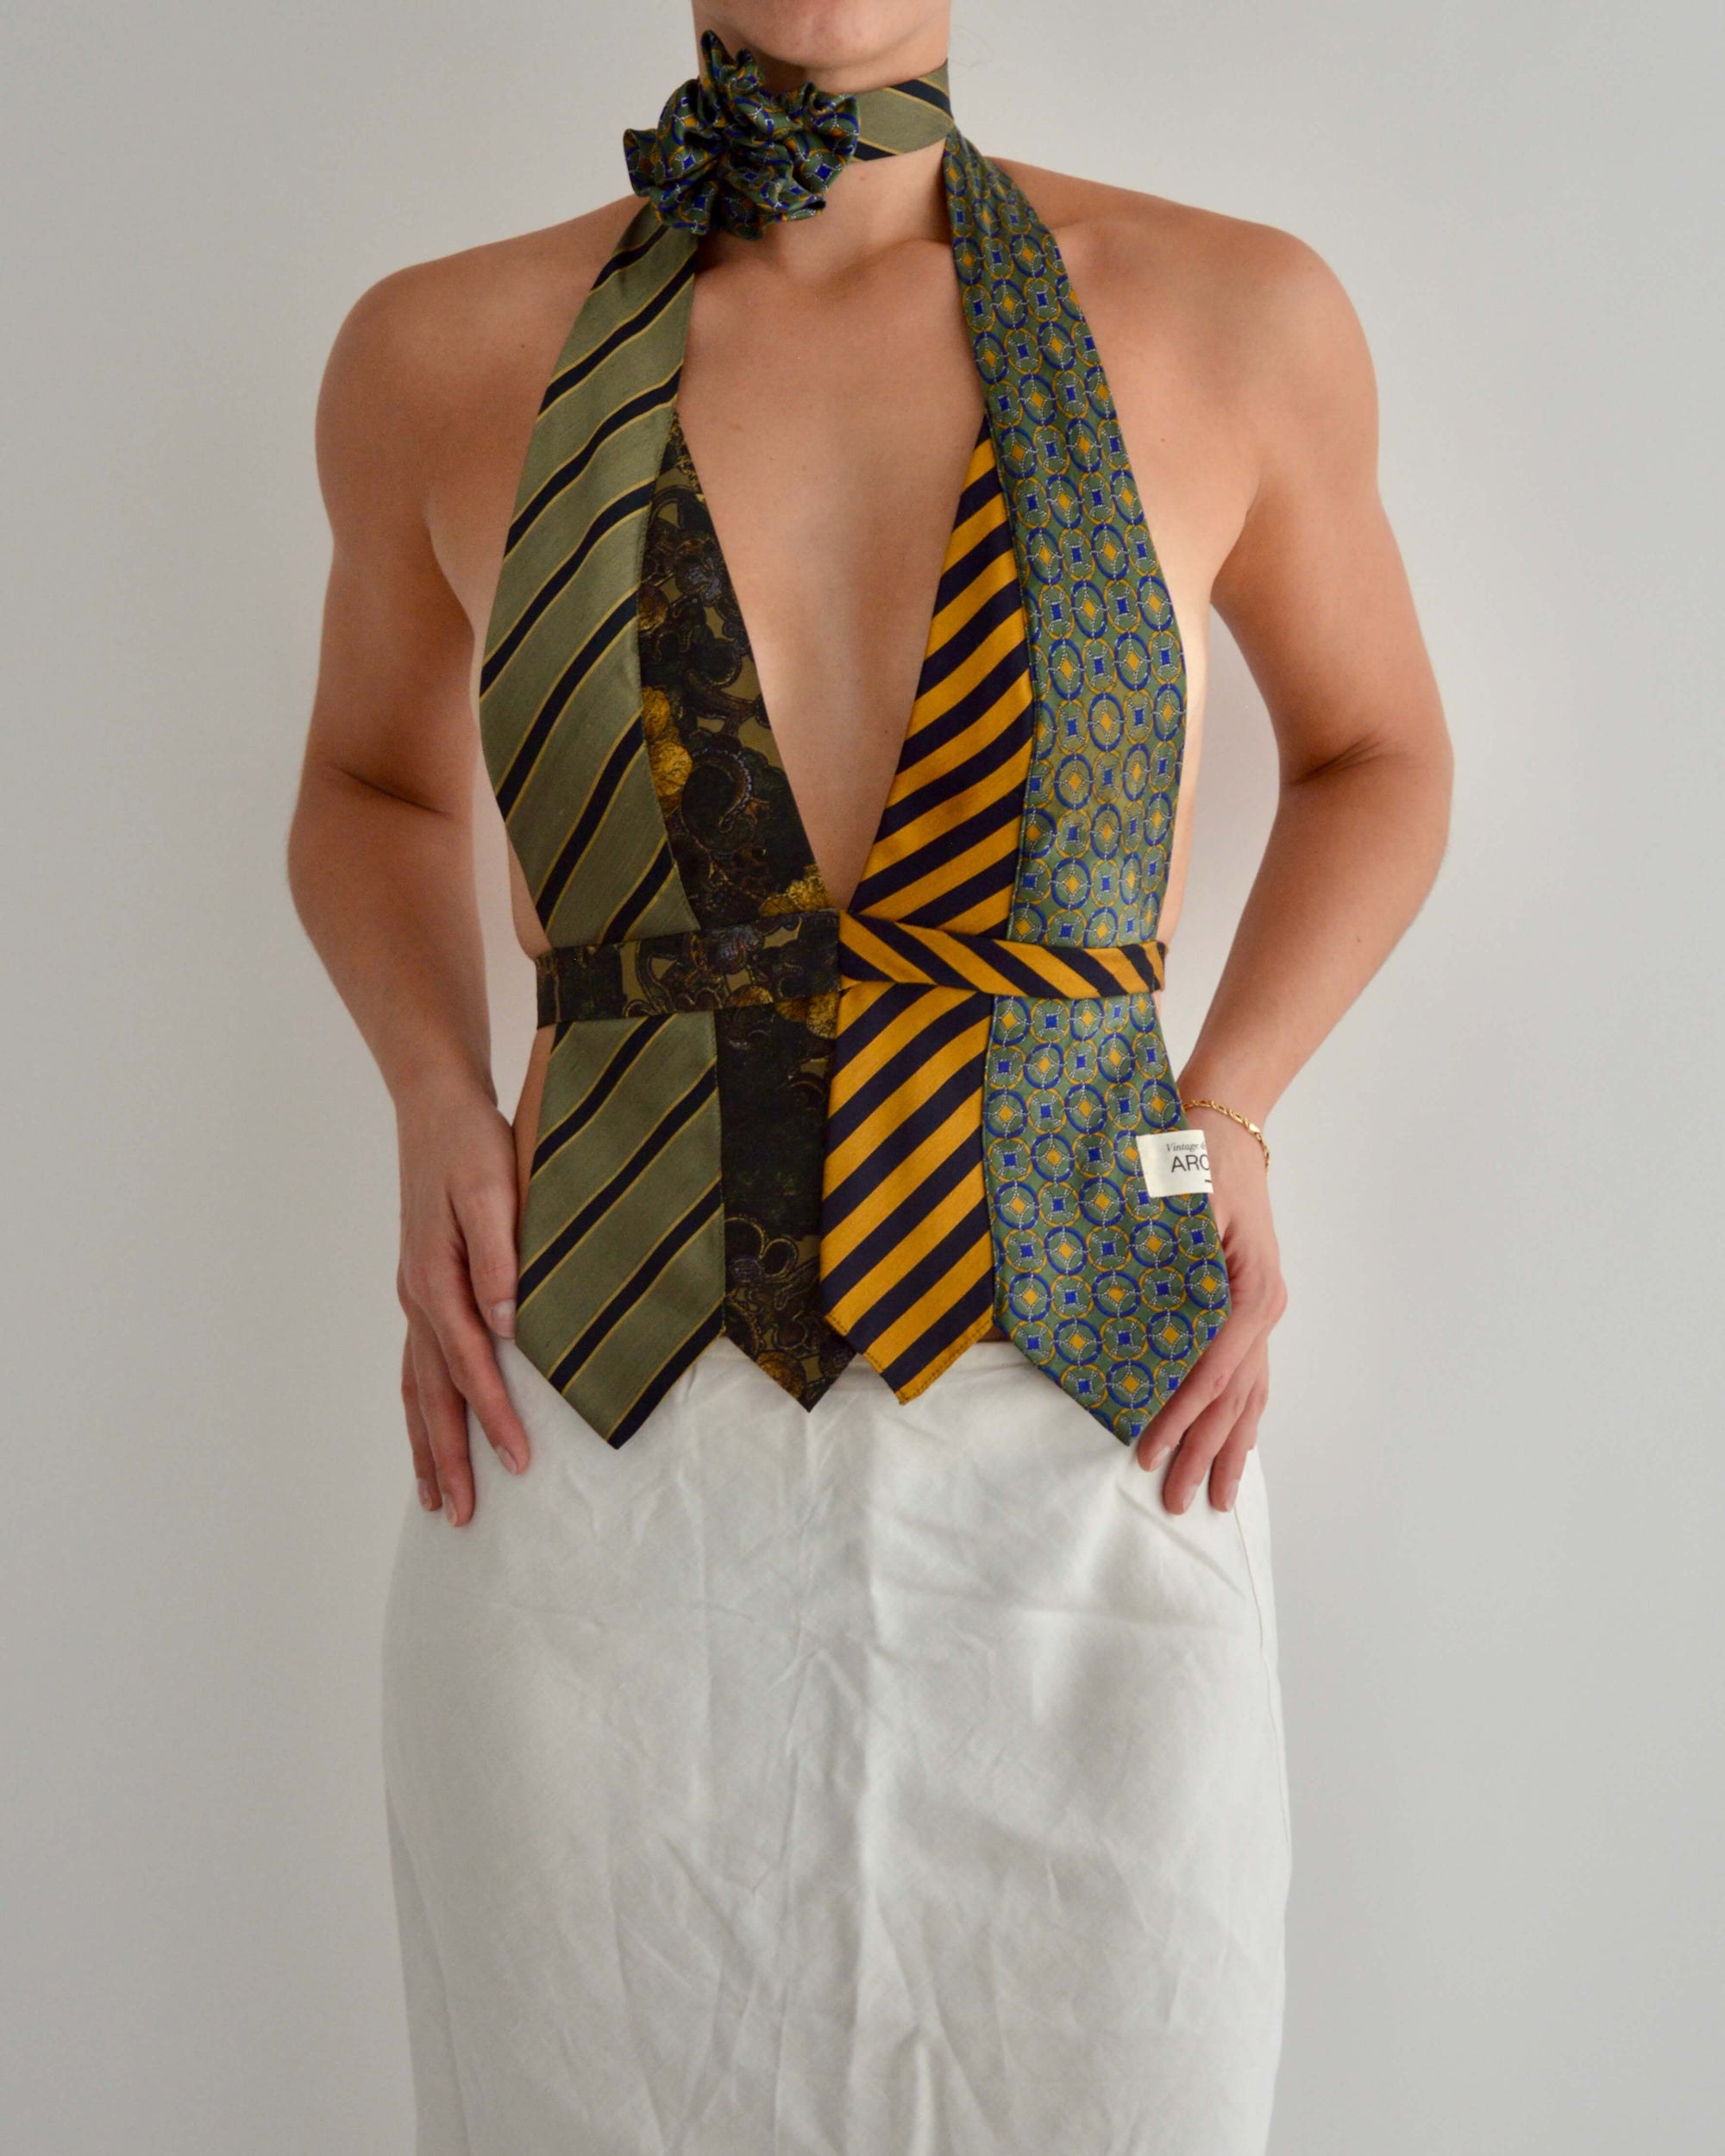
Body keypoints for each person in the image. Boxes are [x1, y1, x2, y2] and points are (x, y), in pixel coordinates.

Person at [288, 4, 1452, 2149]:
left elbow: (1379, 753)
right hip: (592, 1451)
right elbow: (368, 781)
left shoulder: (1235, 315)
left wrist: (1233, 1104)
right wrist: (434, 1089)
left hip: (1093, 1436)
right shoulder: (435, 354)